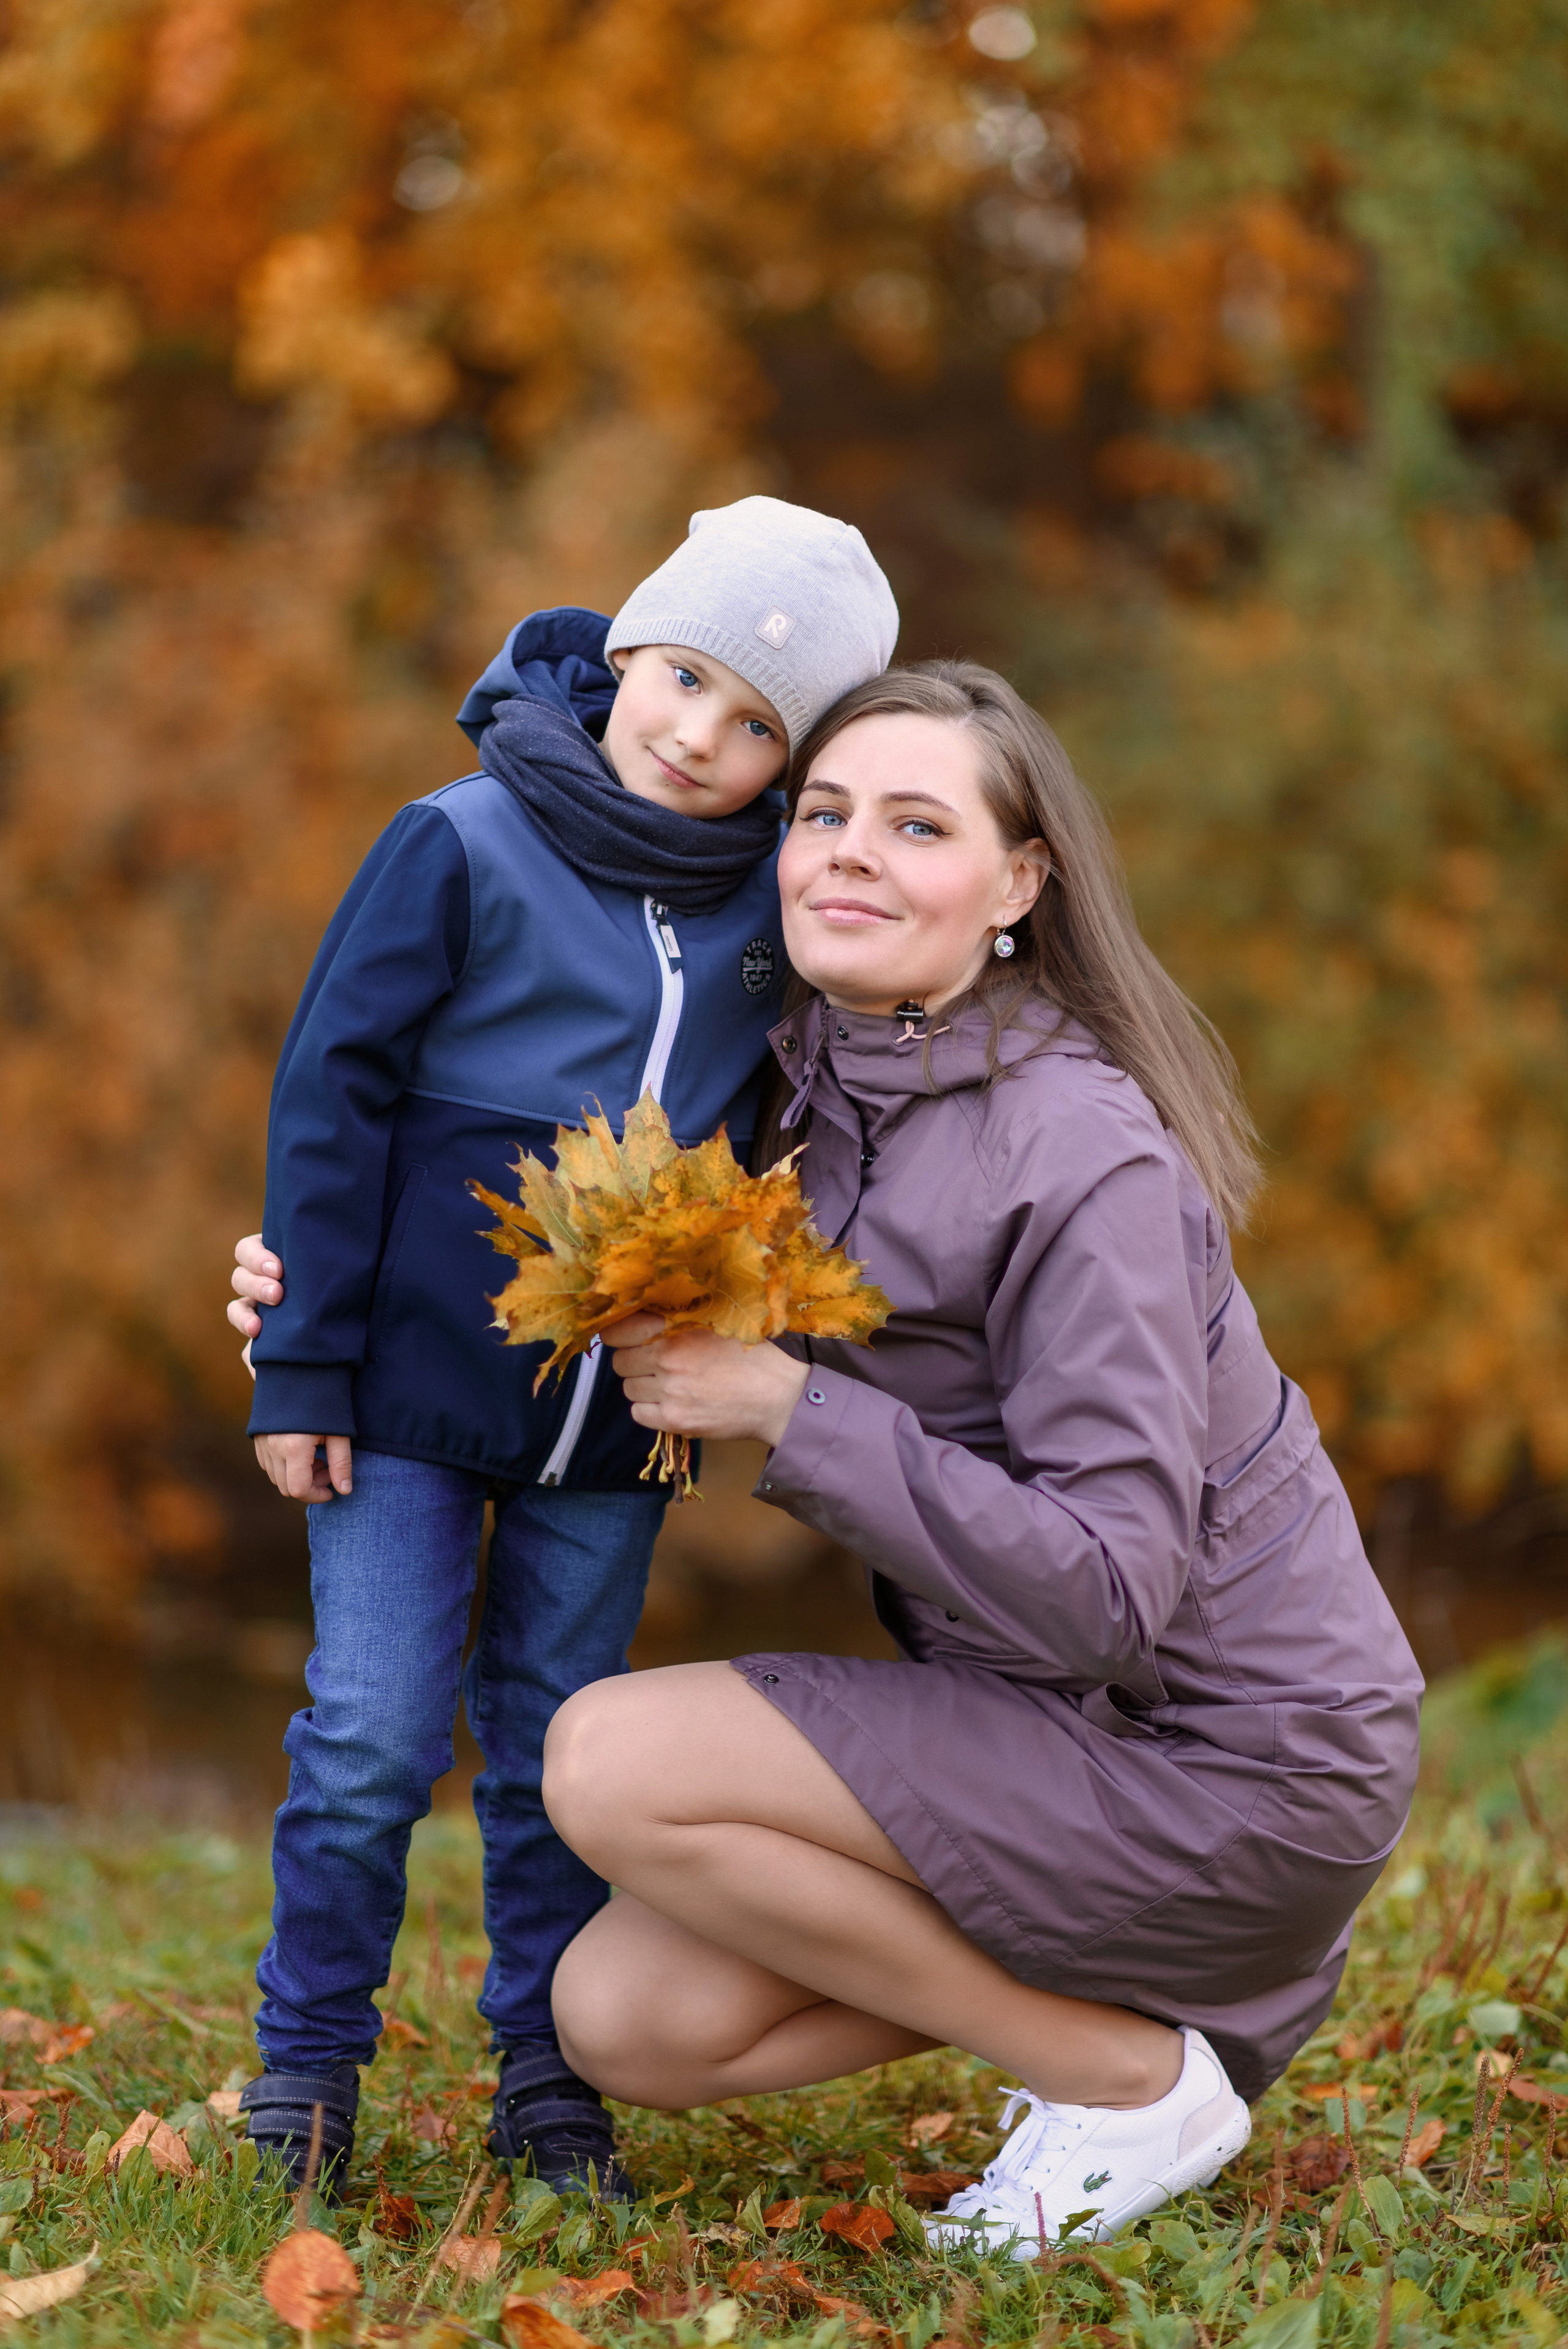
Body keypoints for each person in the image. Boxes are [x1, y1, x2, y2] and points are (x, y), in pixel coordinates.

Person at [538, 659, 1424, 2248]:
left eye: (917, 823)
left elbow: (1109, 1593)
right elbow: (526, 1174)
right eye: (821, 814)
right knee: (626, 2015)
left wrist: (785, 1409)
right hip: (1059, 1725)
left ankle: (1120, 2076)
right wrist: (312, 1298)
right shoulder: (818, 1085)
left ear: (1020, 883)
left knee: (610, 1757)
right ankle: (1145, 2026)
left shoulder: (1080, 1155)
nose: (849, 851)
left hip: (1237, 1761)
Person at [226, 497, 899, 2200]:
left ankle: (545, 2069)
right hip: (401, 1400)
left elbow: (801, 1125)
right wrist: (302, 1356)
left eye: (760, 727)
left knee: (552, 1744)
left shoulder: (774, 906)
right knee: (373, 1732)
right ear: (621, 653)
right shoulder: (457, 841)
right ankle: (305, 2069)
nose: (703, 737)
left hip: (621, 1420)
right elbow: (331, 1103)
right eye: (683, 680)